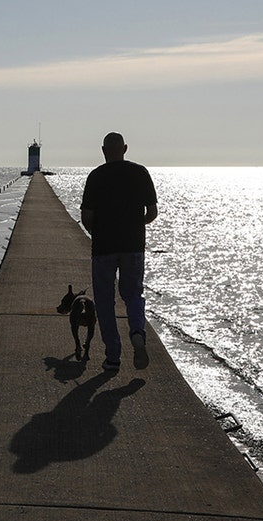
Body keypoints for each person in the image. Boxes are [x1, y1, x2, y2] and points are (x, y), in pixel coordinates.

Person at [80, 132, 158, 371]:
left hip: (103, 247)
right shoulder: (140, 173)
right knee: (133, 294)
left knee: (104, 301)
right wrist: (134, 226)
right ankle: (137, 332)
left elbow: (86, 216)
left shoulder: (96, 176)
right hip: (133, 246)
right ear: (125, 148)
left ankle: (113, 357)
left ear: (103, 151)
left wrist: (99, 232)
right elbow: (152, 213)